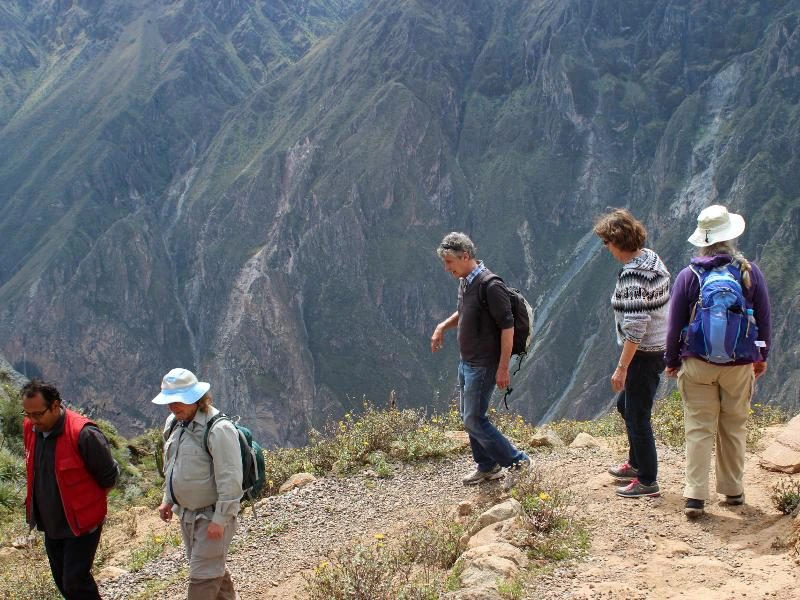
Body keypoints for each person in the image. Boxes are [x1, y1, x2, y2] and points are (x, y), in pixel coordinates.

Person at [665, 205, 771, 518]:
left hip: (698, 362)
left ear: (703, 240)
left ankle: (695, 496)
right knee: (734, 425)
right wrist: (761, 354)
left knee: (699, 427)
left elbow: (674, 324)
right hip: (739, 364)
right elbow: (764, 319)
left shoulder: (689, 276)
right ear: (731, 237)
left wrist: (672, 360)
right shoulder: (749, 272)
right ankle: (733, 490)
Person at [430, 232, 530, 491]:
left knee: (473, 419)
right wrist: (442, 326)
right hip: (467, 362)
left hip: (483, 365)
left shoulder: (491, 285)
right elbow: (463, 312)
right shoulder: (466, 282)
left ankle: (518, 462)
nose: (447, 268)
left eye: (449, 262)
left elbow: (507, 328)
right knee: (469, 416)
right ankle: (486, 465)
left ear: (465, 256)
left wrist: (503, 367)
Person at [593, 209, 670, 498]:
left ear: (617, 241)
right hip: (657, 347)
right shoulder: (651, 259)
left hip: (643, 353)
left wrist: (622, 367)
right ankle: (636, 463)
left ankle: (647, 480)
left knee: (638, 416)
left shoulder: (633, 276)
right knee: (626, 406)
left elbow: (636, 327)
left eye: (607, 242)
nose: (606, 248)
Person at [22, 379, 119, 600]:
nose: (33, 420)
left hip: (82, 524)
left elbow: (109, 476)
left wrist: (89, 503)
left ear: (55, 406)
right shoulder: (30, 428)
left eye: (38, 414)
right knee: (64, 583)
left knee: (75, 582)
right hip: (51, 524)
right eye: (28, 414)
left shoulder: (83, 433)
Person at [154, 368, 242, 600]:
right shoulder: (175, 423)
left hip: (211, 516)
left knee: (203, 579)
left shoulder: (219, 429)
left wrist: (220, 519)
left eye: (178, 401)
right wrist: (168, 499)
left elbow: (231, 479)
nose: (172, 407)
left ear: (196, 397)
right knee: (212, 569)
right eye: (169, 401)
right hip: (187, 516)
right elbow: (172, 465)